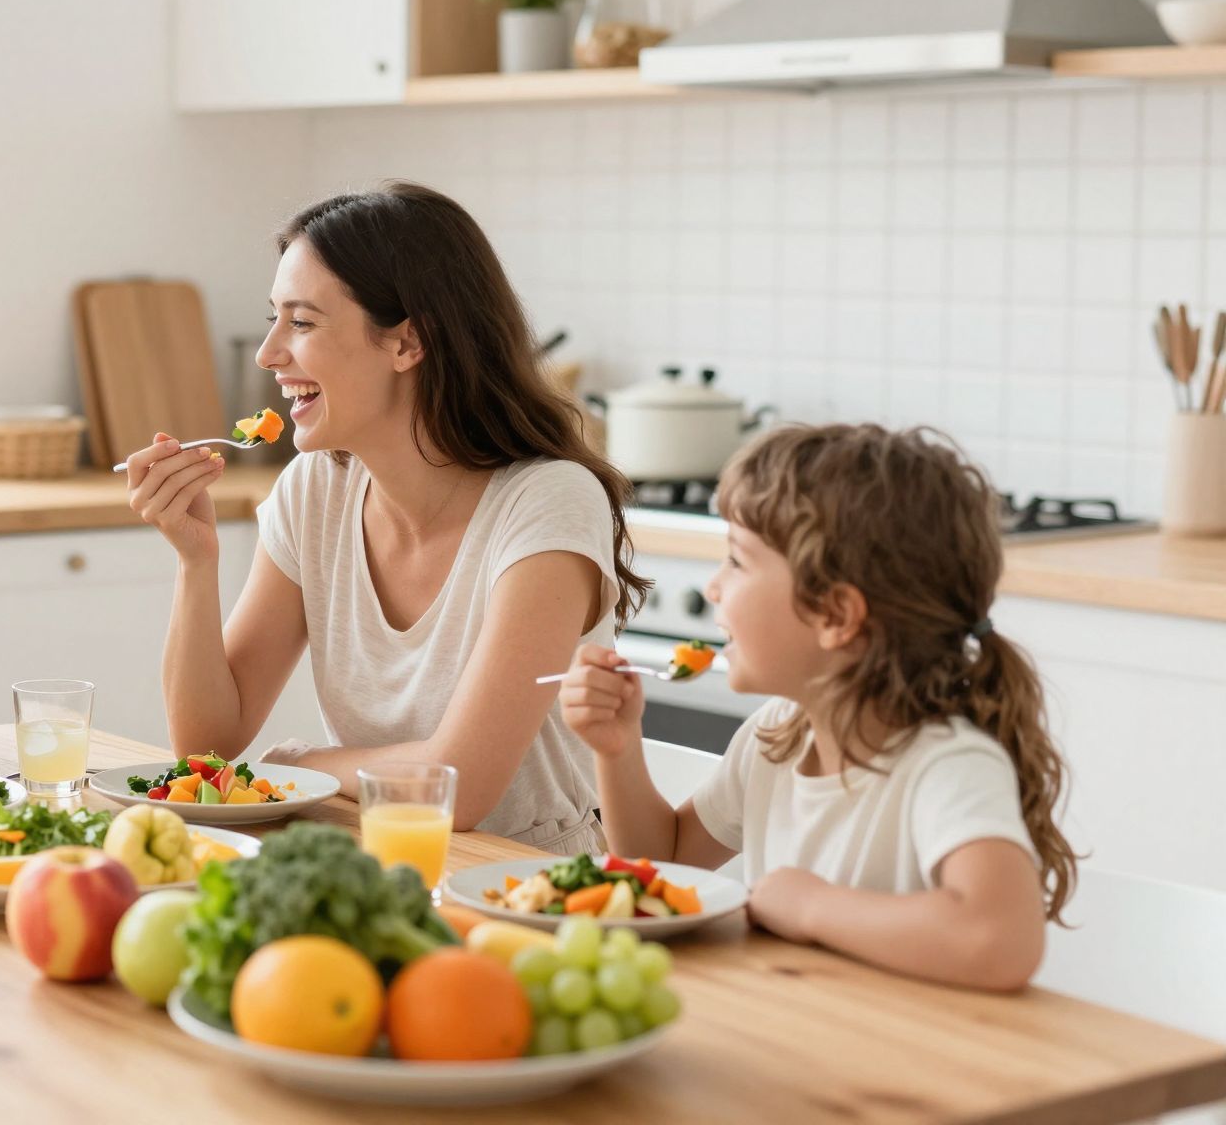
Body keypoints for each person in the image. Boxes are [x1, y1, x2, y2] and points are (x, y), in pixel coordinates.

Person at [124, 181, 647, 852]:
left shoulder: (547, 503)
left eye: (302, 323)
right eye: (274, 319)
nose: (268, 353)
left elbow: (458, 787)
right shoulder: (315, 489)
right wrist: (195, 561)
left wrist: (306, 765)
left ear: (407, 343)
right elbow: (207, 746)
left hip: (524, 882)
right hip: (373, 863)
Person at [562, 424, 1078, 990]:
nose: (713, 587)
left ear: (835, 615)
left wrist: (810, 906)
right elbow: (664, 861)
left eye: (737, 561)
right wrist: (618, 749)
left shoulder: (946, 765)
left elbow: (1000, 940)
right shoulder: (776, 736)